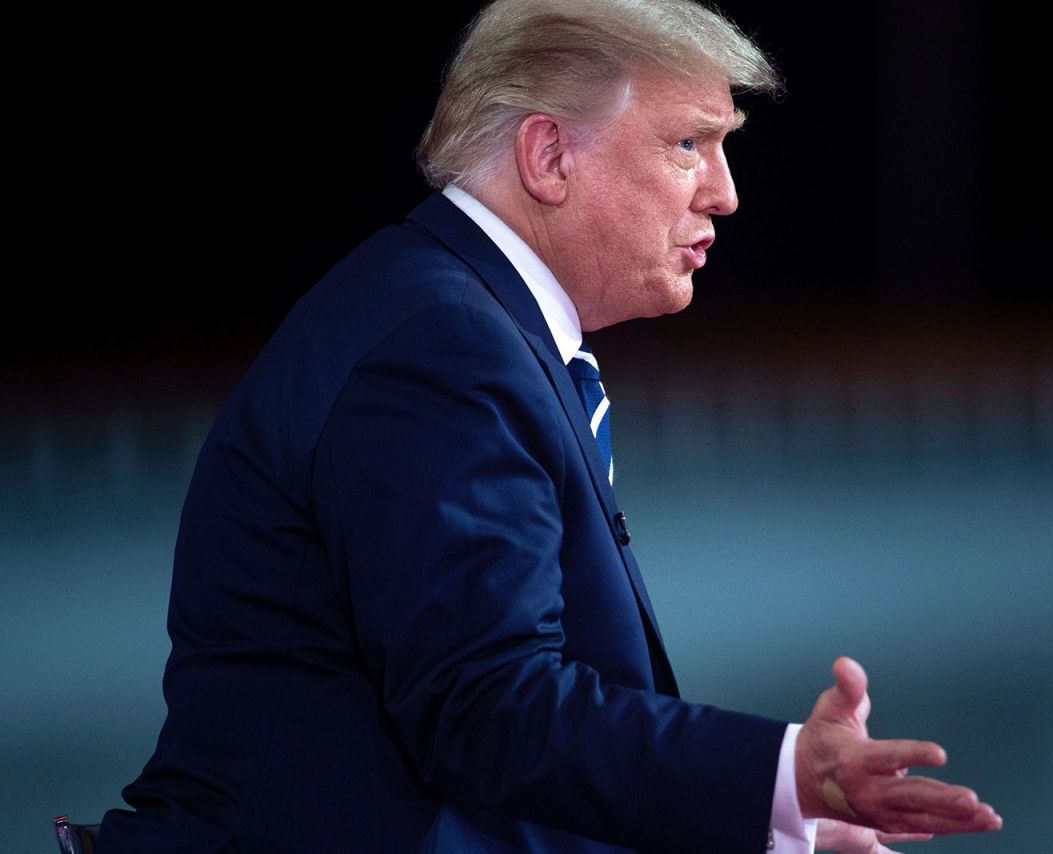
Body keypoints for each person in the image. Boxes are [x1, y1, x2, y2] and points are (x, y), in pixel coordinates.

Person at [99, 1, 1002, 852]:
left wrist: (766, 825)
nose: (724, 193)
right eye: (688, 143)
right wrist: (782, 774)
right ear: (549, 156)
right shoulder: (442, 349)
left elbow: (489, 762)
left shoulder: (462, 321)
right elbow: (489, 717)